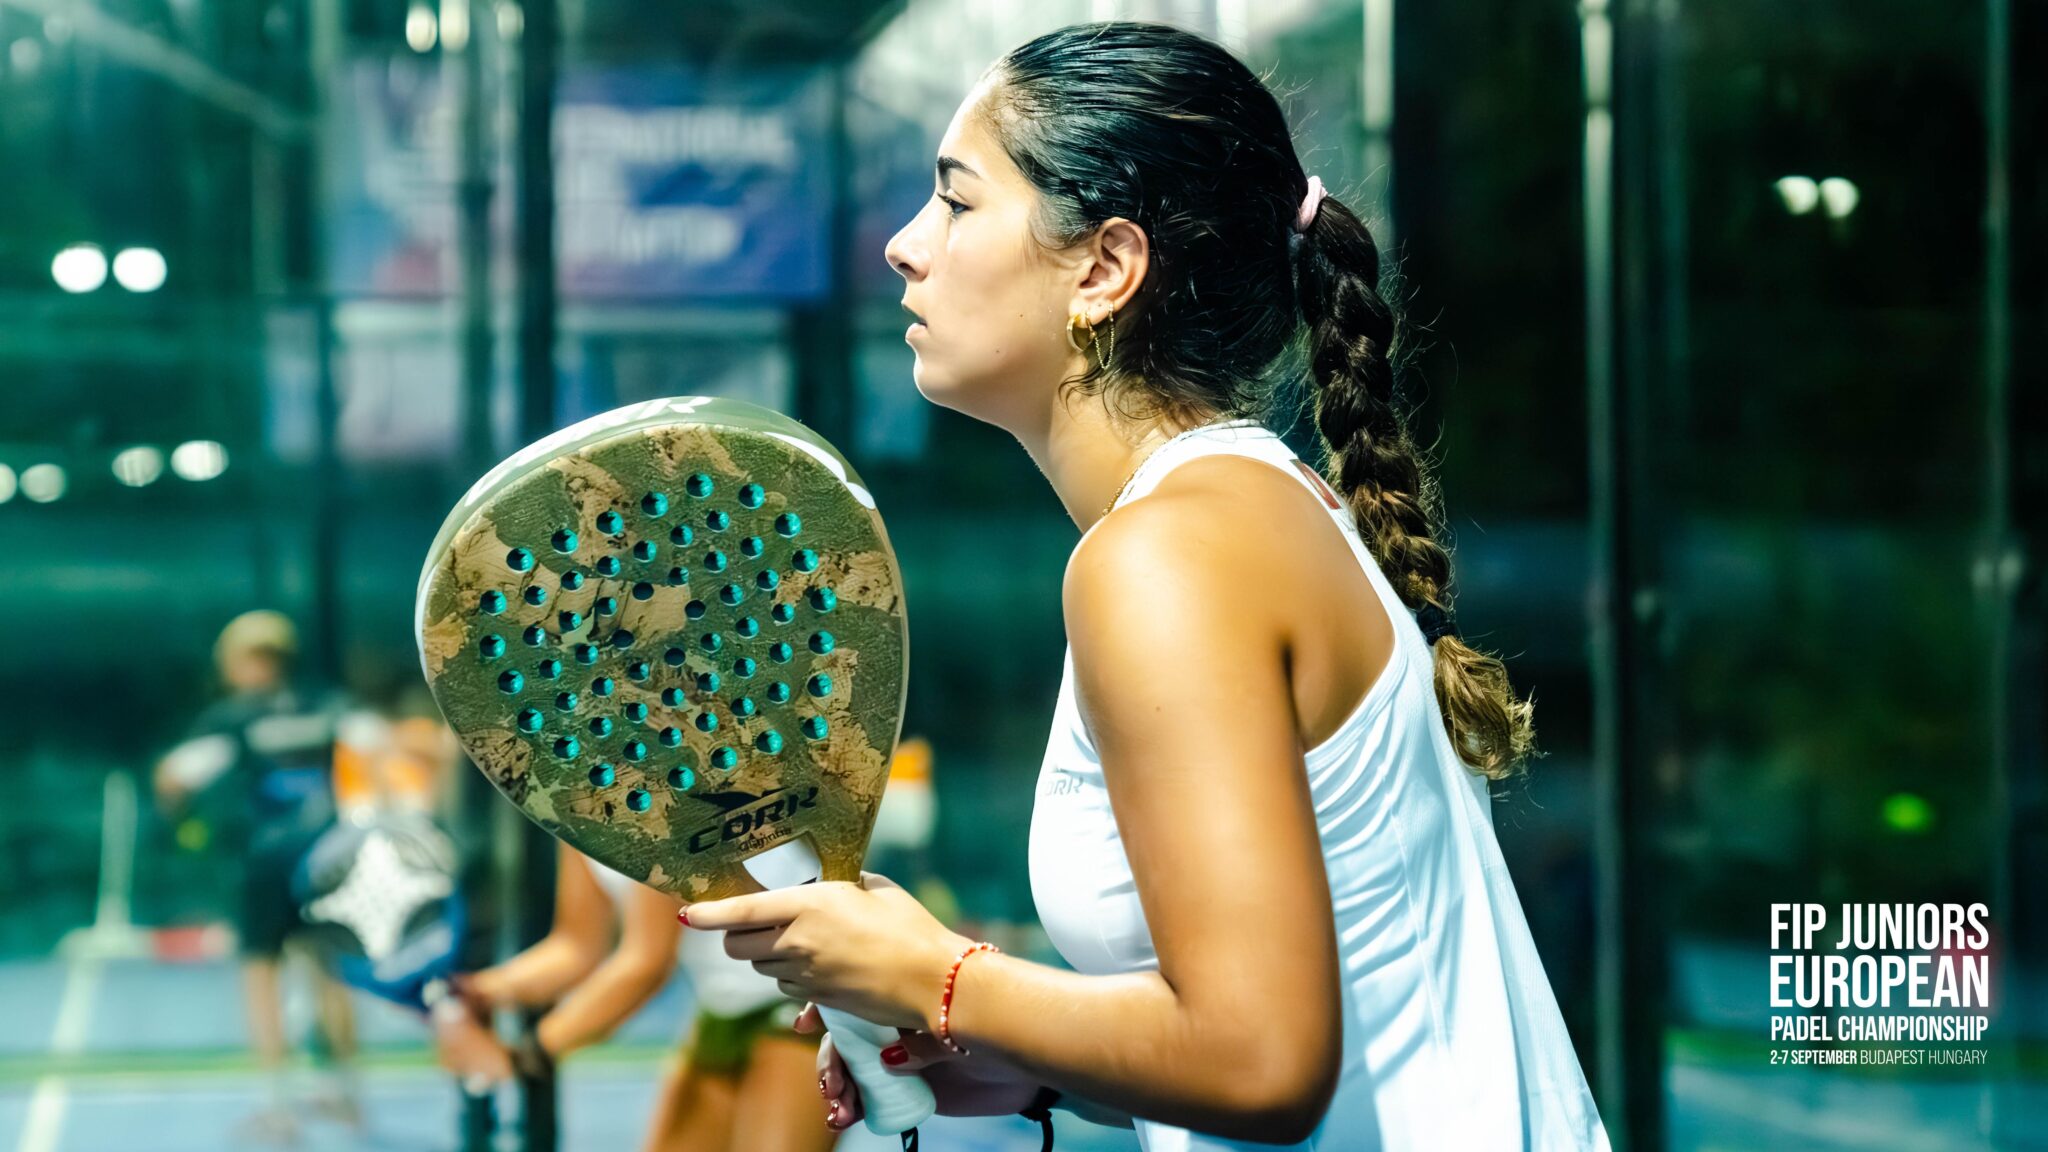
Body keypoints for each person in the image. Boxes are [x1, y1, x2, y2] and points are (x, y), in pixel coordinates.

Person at [681, 21, 1610, 1151]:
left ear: (1104, 269)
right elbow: (1322, 1031)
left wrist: (937, 974)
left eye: (957, 201)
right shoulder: (1241, 512)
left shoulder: (1167, 557)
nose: (903, 245)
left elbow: (1264, 1062)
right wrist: (1021, 1068)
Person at [434, 843, 839, 1152]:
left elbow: (646, 964)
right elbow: (576, 946)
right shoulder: (568, 802)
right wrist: (479, 991)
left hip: (807, 1002)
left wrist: (526, 1056)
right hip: (722, 1009)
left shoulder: (651, 787)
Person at [153, 609, 360, 1143]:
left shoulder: (233, 719)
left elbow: (175, 778)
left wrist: (180, 821)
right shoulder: (327, 705)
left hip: (265, 863)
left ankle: (277, 1105)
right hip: (328, 857)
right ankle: (344, 1093)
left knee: (261, 974)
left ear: (241, 661)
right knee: (330, 972)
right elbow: (382, 750)